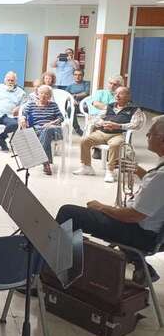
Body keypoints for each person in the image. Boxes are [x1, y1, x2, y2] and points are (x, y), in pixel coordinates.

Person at [57, 115, 164, 283]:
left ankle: (57, 272)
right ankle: (141, 267)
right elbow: (156, 190)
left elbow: (133, 216)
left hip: (140, 233)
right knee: (108, 212)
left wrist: (101, 207)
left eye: (151, 133)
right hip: (152, 231)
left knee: (69, 213)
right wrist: (138, 171)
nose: (147, 135)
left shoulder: (161, 176)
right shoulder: (160, 172)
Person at [73, 86, 145, 182]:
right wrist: (102, 123)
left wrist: (118, 126)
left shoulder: (134, 109)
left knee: (115, 145)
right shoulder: (110, 106)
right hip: (102, 132)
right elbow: (96, 118)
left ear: (128, 96)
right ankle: (86, 166)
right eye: (116, 94)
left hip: (118, 134)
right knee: (84, 140)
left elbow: (136, 125)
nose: (117, 96)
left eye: (120, 94)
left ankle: (110, 171)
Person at [20, 85, 64, 175]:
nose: (43, 95)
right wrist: (23, 119)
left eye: (46, 94)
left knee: (47, 129)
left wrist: (51, 123)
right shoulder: (31, 104)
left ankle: (39, 156)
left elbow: (61, 118)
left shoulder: (53, 105)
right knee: (45, 133)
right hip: (38, 130)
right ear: (37, 94)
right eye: (41, 93)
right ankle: (46, 163)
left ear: (50, 96)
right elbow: (23, 114)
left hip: (54, 130)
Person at [0, 71, 26, 151]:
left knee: (14, 124)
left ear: (15, 81)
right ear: (5, 80)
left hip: (9, 115)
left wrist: (19, 107)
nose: (10, 82)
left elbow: (24, 104)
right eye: (8, 80)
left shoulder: (21, 92)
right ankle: (2, 143)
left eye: (12, 80)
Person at [65, 68, 90, 136]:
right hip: (75, 106)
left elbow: (86, 93)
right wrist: (72, 100)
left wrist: (74, 96)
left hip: (85, 106)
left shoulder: (87, 83)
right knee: (70, 109)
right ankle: (77, 129)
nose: (77, 77)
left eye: (79, 75)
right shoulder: (70, 86)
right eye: (75, 75)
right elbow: (66, 96)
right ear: (73, 76)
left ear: (83, 76)